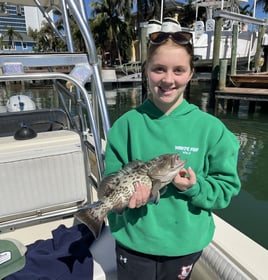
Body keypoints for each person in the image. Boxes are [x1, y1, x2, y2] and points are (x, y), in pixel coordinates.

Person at [103, 21, 241, 280]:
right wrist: (126, 198)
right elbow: (112, 179)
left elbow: (225, 189)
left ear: (191, 74)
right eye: (159, 69)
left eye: (179, 70)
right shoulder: (125, 126)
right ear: (146, 70)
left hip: (184, 246)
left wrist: (195, 187)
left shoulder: (212, 129)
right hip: (133, 242)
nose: (168, 79)